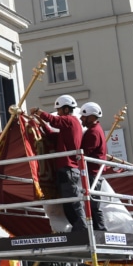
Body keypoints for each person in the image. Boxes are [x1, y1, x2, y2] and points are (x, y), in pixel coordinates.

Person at [33, 95, 105, 232]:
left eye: (59, 110)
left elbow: (54, 121)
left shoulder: (70, 120)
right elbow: (56, 137)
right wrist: (43, 126)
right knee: (70, 203)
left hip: (68, 169)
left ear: (66, 109)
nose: (58, 113)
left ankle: (83, 230)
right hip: (68, 169)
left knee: (73, 203)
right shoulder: (71, 125)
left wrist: (39, 112)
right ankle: (82, 229)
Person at [78, 102, 109, 231]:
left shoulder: (93, 132)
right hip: (94, 171)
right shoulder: (96, 130)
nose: (81, 119)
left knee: (93, 202)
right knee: (92, 201)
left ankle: (101, 230)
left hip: (92, 172)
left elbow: (85, 151)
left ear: (91, 117)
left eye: (83, 117)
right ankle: (98, 229)